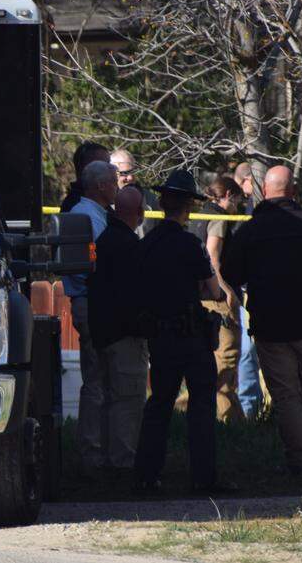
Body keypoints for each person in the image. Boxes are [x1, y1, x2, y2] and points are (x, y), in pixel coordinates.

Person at [221, 166, 302, 475]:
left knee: (287, 396)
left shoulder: (250, 231)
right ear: (292, 191)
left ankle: (299, 460)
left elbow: (231, 274)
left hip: (270, 326)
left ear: (265, 191)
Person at [132, 170, 230, 494]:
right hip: (192, 337)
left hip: (160, 338)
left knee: (159, 404)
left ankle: (146, 477)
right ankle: (203, 478)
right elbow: (214, 290)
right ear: (188, 207)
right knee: (201, 407)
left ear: (162, 204)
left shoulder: (145, 245)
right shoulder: (191, 244)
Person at [86, 185, 148, 471]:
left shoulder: (104, 240)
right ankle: (123, 462)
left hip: (103, 333)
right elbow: (136, 295)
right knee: (128, 401)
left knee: (106, 398)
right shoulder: (131, 247)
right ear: (139, 212)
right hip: (125, 336)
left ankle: (100, 459)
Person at [62, 161, 119, 471]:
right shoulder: (84, 218)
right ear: (100, 186)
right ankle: (92, 453)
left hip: (99, 303)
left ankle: (105, 448)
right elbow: (90, 268)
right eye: (114, 182)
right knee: (96, 380)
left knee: (105, 379)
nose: (117, 187)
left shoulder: (97, 216)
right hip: (91, 303)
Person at [186, 177, 245, 423]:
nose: (237, 207)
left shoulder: (199, 215)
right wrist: (227, 291)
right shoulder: (218, 217)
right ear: (228, 195)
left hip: (198, 297)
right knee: (226, 362)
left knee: (207, 364)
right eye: (237, 201)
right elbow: (212, 257)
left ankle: (230, 420)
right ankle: (226, 422)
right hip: (217, 300)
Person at [232, 161, 263, 419]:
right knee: (246, 352)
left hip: (255, 291)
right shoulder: (247, 208)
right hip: (246, 291)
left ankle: (252, 408)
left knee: (250, 351)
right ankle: (248, 409)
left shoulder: (256, 208)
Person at [61, 142, 110, 213]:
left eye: (108, 165)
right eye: (101, 166)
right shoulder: (77, 208)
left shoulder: (101, 202)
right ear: (83, 168)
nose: (108, 170)